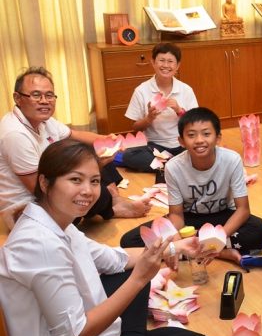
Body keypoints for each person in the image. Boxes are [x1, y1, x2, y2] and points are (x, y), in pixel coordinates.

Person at [0, 139, 219, 336]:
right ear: (44, 182)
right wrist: (139, 279)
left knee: (174, 331)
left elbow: (115, 259)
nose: (88, 191)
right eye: (75, 179)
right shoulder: (39, 244)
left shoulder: (59, 222)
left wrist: (177, 248)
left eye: (94, 181)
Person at [0, 67, 150, 227]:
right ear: (18, 98)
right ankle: (112, 207)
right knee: (92, 185)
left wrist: (106, 140)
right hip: (28, 207)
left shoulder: (44, 120)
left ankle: (113, 201)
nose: (44, 101)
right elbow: (39, 189)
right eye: (36, 95)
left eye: (49, 95)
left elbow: (74, 134)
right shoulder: (15, 134)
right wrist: (93, 168)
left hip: (49, 184)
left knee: (89, 152)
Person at [121, 107, 262, 263]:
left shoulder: (232, 160)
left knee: (261, 231)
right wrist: (177, 236)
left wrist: (218, 239)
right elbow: (177, 215)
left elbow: (243, 209)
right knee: (130, 241)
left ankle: (193, 250)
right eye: (191, 135)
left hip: (224, 214)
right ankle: (217, 252)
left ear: (218, 138)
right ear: (181, 141)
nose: (199, 140)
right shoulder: (173, 167)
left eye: (206, 134)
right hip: (189, 219)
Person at [123, 43, 198, 173]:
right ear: (153, 62)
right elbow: (134, 126)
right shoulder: (141, 90)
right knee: (129, 155)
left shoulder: (185, 90)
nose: (166, 65)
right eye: (161, 60)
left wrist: (179, 111)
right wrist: (149, 118)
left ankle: (165, 166)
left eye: (170, 61)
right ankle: (174, 166)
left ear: (177, 66)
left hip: (182, 144)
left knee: (206, 149)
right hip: (154, 147)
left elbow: (196, 124)